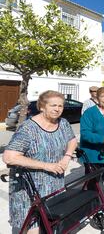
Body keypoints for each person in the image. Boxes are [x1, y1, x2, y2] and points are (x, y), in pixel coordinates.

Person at [3, 91, 77, 233]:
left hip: (54, 183)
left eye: (60, 106)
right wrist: (47, 166)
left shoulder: (63, 123)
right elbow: (9, 157)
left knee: (51, 222)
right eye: (53, 105)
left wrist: (67, 157)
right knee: (32, 226)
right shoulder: (28, 129)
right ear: (42, 106)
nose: (57, 109)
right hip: (29, 187)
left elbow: (72, 140)